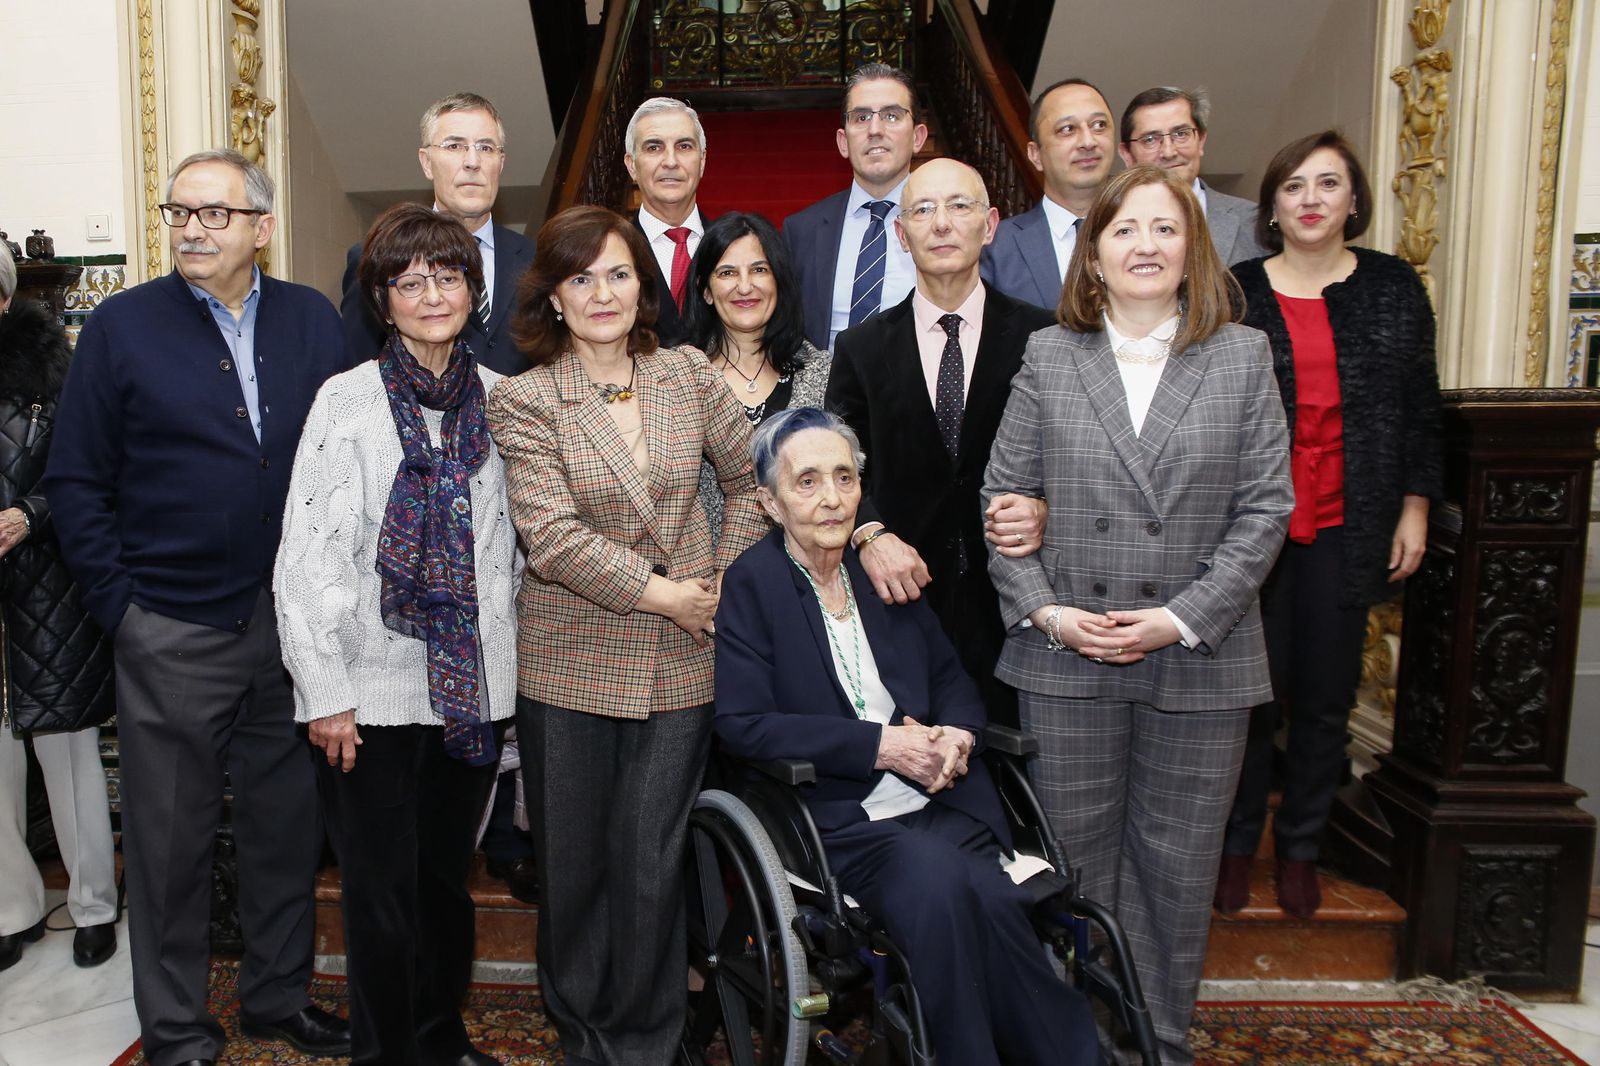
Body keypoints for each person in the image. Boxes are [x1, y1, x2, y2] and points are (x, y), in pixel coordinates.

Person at [43, 148, 350, 1066]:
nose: (192, 230)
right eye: (181, 213)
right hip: (169, 627)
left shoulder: (312, 321)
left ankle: (276, 999)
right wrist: (123, 610)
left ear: (261, 226)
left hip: (292, 630)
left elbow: (341, 468)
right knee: (172, 850)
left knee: (284, 834)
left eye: (214, 214)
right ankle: (175, 1027)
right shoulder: (121, 329)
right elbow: (75, 478)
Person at [983, 166, 1292, 1065]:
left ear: (1194, 249)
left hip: (1199, 656)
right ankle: (1076, 1038)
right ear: (1095, 255)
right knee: (1074, 865)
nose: (1146, 245)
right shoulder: (1050, 356)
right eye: (1125, 231)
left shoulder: (1239, 354)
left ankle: (1158, 1041)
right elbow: (1006, 498)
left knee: (1177, 867)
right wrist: (1045, 612)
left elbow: (1266, 509)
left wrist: (1183, 617)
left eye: (1166, 228)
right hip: (1069, 655)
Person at [714, 406, 1101, 1066]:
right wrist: (879, 746)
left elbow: (951, 678)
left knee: (978, 889)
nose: (832, 497)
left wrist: (957, 735)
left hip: (941, 802)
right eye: (806, 481)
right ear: (769, 502)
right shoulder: (755, 583)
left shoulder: (881, 570)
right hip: (839, 822)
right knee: (955, 887)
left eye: (844, 476)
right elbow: (744, 724)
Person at [485, 205, 766, 1066]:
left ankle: (647, 1040)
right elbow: (552, 536)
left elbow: (753, 482)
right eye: (580, 277)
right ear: (554, 299)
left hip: (684, 662)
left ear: (644, 283)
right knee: (574, 867)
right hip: (569, 663)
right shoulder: (526, 400)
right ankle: (584, 1029)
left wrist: (716, 580)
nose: (601, 292)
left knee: (651, 858)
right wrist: (664, 595)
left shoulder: (688, 374)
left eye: (617, 272)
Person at [276, 204, 519, 1066]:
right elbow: (307, 559)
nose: (429, 294)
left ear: (472, 289)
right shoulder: (344, 403)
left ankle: (437, 1036)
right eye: (407, 280)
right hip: (366, 697)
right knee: (379, 898)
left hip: (468, 696)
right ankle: (386, 1054)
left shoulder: (502, 402)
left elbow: (511, 557)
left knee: (443, 888)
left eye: (447, 276)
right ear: (381, 299)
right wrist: (326, 694)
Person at [1218, 130, 1442, 918]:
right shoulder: (1237, 288)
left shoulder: (1390, 286)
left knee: (1324, 696)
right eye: (1293, 186)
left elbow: (1420, 405)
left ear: (1354, 200)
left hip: (1353, 520)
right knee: (1249, 698)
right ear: (1272, 205)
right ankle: (1238, 844)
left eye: (1327, 184)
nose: (1310, 199)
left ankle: (1302, 847)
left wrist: (1414, 506)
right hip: (1256, 529)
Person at [826, 159, 1053, 727]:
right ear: (901, 235)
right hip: (903, 598)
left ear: (991, 223)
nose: (942, 224)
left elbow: (1074, 458)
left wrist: (1048, 506)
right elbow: (840, 468)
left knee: (1019, 780)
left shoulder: (1045, 338)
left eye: (960, 206)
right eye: (923, 210)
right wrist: (868, 531)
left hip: (1017, 598)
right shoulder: (861, 348)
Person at [0, 243, 118, 973]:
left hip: (45, 586)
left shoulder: (53, 366)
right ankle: (11, 909)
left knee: (68, 753)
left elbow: (92, 469)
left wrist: (27, 515)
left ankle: (95, 906)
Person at [341, 92, 536, 376]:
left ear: (501, 163)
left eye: (486, 147)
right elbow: (360, 369)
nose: (472, 161)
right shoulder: (375, 258)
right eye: (455, 146)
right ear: (426, 162)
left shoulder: (537, 259)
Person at [684, 211, 831, 541]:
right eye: (727, 273)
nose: (745, 286)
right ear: (705, 289)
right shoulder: (677, 378)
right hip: (705, 575)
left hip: (806, 560)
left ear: (778, 280)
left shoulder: (822, 372)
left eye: (759, 270)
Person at [784, 63, 929, 350]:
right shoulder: (801, 230)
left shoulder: (948, 224)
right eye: (861, 117)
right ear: (843, 142)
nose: (875, 130)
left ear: (918, 137)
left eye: (891, 115)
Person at [981, 78, 1116, 311]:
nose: (1088, 141)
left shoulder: (1149, 234)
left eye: (1099, 125)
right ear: (1035, 155)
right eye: (1068, 129)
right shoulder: (996, 247)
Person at [1118, 86, 1267, 266]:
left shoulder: (1253, 222)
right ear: (1127, 155)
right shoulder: (1108, 224)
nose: (1169, 151)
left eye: (1181, 134)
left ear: (1201, 141)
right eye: (1150, 139)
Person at [625, 96, 711, 347]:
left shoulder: (731, 247)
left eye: (684, 146)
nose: (671, 161)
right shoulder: (608, 253)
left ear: (702, 161)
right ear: (631, 165)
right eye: (654, 147)